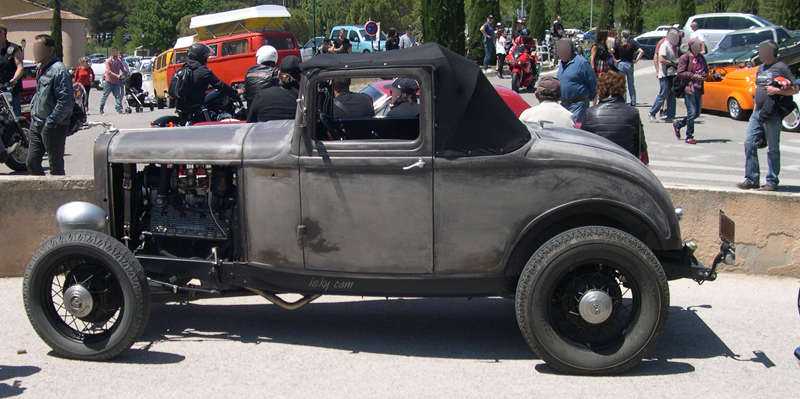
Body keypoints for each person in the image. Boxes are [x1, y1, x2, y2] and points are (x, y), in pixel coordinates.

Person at [737, 40, 799, 192]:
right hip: (758, 112)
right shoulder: (761, 68)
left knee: (772, 148)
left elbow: (795, 89)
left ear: (772, 53)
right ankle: (751, 179)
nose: (760, 54)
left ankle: (772, 181)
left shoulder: (781, 68)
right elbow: (759, 87)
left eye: (763, 51)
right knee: (749, 143)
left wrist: (777, 91)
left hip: (773, 113)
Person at [24, 35, 73, 175]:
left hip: (53, 126)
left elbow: (65, 102)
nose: (35, 51)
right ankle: (42, 194)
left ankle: (59, 197)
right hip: (37, 123)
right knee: (31, 163)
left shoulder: (59, 70)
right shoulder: (40, 68)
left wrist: (50, 123)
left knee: (55, 167)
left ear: (50, 49)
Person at [582, 71, 647, 160]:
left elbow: (584, 144)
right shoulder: (633, 113)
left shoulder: (591, 113)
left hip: (599, 163)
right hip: (626, 163)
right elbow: (642, 146)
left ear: (600, 89)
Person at [175, 43, 243, 123]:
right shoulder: (202, 70)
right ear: (200, 56)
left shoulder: (182, 69)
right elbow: (219, 84)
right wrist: (234, 92)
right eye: (206, 56)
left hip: (181, 107)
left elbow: (192, 85)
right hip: (197, 108)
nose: (207, 58)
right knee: (210, 127)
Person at [674, 38, 709, 145]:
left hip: (699, 88)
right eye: (696, 46)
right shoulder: (685, 57)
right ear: (691, 47)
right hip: (689, 88)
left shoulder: (701, 57)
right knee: (691, 112)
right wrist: (694, 76)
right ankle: (689, 136)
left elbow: (706, 70)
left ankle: (678, 124)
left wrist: (704, 75)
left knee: (697, 113)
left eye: (699, 46)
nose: (698, 48)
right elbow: (680, 72)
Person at [247, 56, 302, 123]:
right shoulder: (307, 97)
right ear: (301, 76)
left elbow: (250, 124)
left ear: (278, 75)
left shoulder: (262, 95)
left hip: (266, 133)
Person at [556, 39, 597, 125]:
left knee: (574, 131)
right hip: (564, 105)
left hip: (578, 104)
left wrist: (591, 97)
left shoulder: (582, 63)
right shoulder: (562, 63)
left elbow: (592, 82)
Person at [647, 28, 680, 122]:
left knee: (672, 94)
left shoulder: (673, 46)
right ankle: (651, 113)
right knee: (663, 94)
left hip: (672, 75)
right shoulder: (664, 45)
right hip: (664, 74)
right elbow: (661, 59)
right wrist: (673, 63)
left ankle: (670, 116)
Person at [614, 30, 643, 106]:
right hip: (629, 64)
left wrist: (615, 60)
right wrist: (636, 60)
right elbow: (641, 51)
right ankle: (633, 101)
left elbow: (611, 51)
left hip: (621, 64)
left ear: (621, 35)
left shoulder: (618, 44)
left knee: (622, 83)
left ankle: (623, 100)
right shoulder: (632, 43)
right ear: (629, 35)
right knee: (631, 84)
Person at [0, 23, 24, 117]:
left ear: (2, 33)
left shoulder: (14, 48)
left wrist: (14, 80)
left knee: (14, 118)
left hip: (10, 90)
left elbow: (20, 67)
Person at [99, 47, 127, 115]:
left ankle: (119, 109)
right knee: (105, 96)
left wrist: (125, 72)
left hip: (116, 82)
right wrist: (117, 75)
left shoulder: (118, 61)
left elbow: (122, 67)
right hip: (108, 81)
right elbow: (108, 71)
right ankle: (101, 109)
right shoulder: (108, 61)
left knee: (118, 96)